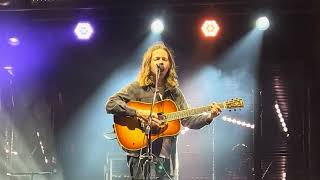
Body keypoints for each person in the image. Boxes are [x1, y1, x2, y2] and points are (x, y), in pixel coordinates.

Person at [106, 42, 222, 180]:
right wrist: (139, 113)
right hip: (139, 155)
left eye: (164, 59)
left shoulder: (174, 93)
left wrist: (210, 116)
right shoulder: (137, 87)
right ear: (148, 63)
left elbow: (188, 120)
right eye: (157, 59)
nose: (161, 62)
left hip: (165, 157)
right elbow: (111, 104)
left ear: (169, 65)